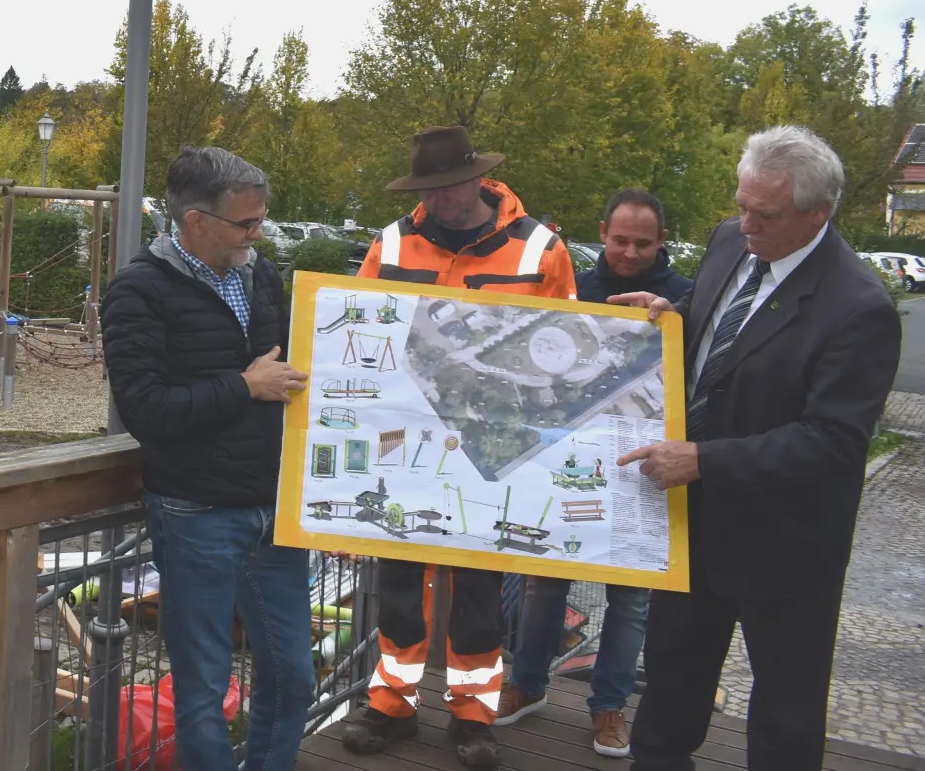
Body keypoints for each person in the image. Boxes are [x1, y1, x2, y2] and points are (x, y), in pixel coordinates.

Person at [610, 126, 901, 770]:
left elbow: (833, 443)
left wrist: (703, 461)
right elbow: (721, 325)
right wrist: (673, 311)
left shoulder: (860, 308)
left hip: (785, 545)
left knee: (784, 718)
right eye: (740, 204)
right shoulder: (729, 240)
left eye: (763, 215)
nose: (744, 225)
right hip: (693, 527)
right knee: (669, 688)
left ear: (816, 214)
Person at [342, 126, 577, 770]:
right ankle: (392, 702)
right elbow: (353, 337)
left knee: (479, 580)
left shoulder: (541, 251)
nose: (440, 201)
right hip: (405, 443)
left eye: (449, 187)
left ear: (479, 179)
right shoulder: (388, 244)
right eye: (428, 190)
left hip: (493, 446)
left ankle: (475, 713)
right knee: (397, 578)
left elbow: (569, 345)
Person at [101, 146, 314, 771]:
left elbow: (290, 375)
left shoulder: (260, 275)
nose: (258, 234)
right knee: (203, 690)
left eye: (260, 220)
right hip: (195, 510)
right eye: (246, 223)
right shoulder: (138, 290)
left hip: (274, 508)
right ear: (196, 220)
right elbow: (144, 409)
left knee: (293, 676)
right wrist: (244, 386)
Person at [495, 187, 693, 757]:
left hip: (640, 466)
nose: (630, 252)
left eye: (644, 243)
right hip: (564, 458)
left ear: (662, 242)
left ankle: (608, 707)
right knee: (543, 582)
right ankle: (526, 685)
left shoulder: (683, 297)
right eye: (621, 239)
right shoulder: (569, 285)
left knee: (630, 598)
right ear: (603, 231)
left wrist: (674, 320)